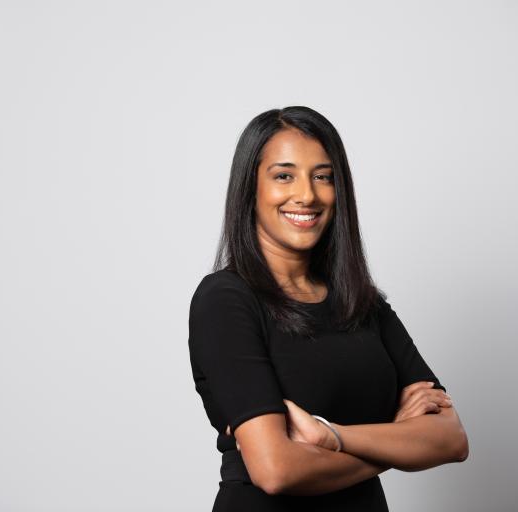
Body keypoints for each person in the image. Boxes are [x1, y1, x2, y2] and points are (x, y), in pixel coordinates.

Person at [187, 106, 469, 511]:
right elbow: (275, 470)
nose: (307, 194)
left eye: (323, 177)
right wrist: (396, 438)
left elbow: (451, 439)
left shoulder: (363, 303)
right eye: (284, 175)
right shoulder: (226, 300)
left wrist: (331, 437)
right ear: (251, 188)